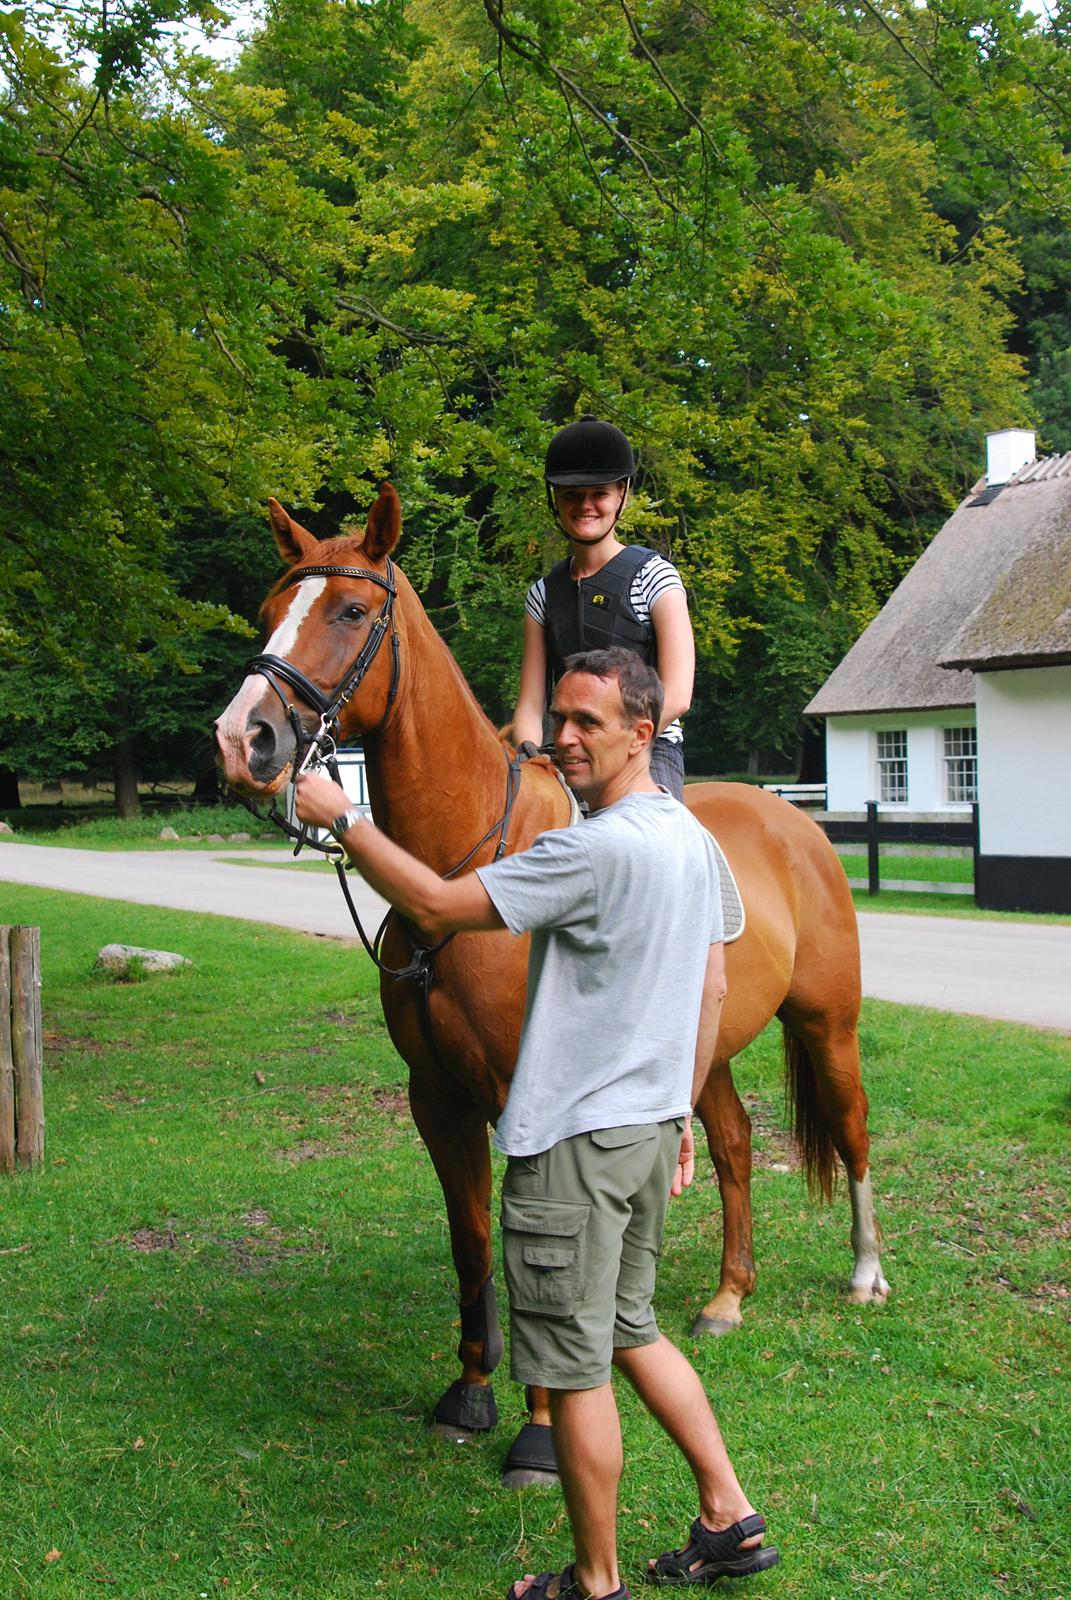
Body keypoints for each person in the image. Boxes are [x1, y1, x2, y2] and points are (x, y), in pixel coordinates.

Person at [295, 647, 777, 1600]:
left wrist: (343, 817)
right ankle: (727, 1514)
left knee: (576, 1365)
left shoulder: (587, 850)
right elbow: (712, 978)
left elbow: (434, 901)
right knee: (633, 1327)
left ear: (644, 734)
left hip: (573, 1148)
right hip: (645, 1136)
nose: (561, 739)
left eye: (586, 723)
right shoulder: (688, 836)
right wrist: (680, 1107)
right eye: (558, 718)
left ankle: (593, 1584)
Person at [511, 416, 695, 802]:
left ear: (622, 494)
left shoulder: (656, 576)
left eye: (599, 493)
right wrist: (530, 757)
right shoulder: (542, 594)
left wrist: (613, 747)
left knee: (650, 842)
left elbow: (677, 694)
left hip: (648, 750)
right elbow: (530, 705)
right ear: (555, 499)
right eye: (572, 495)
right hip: (566, 754)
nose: (586, 505)